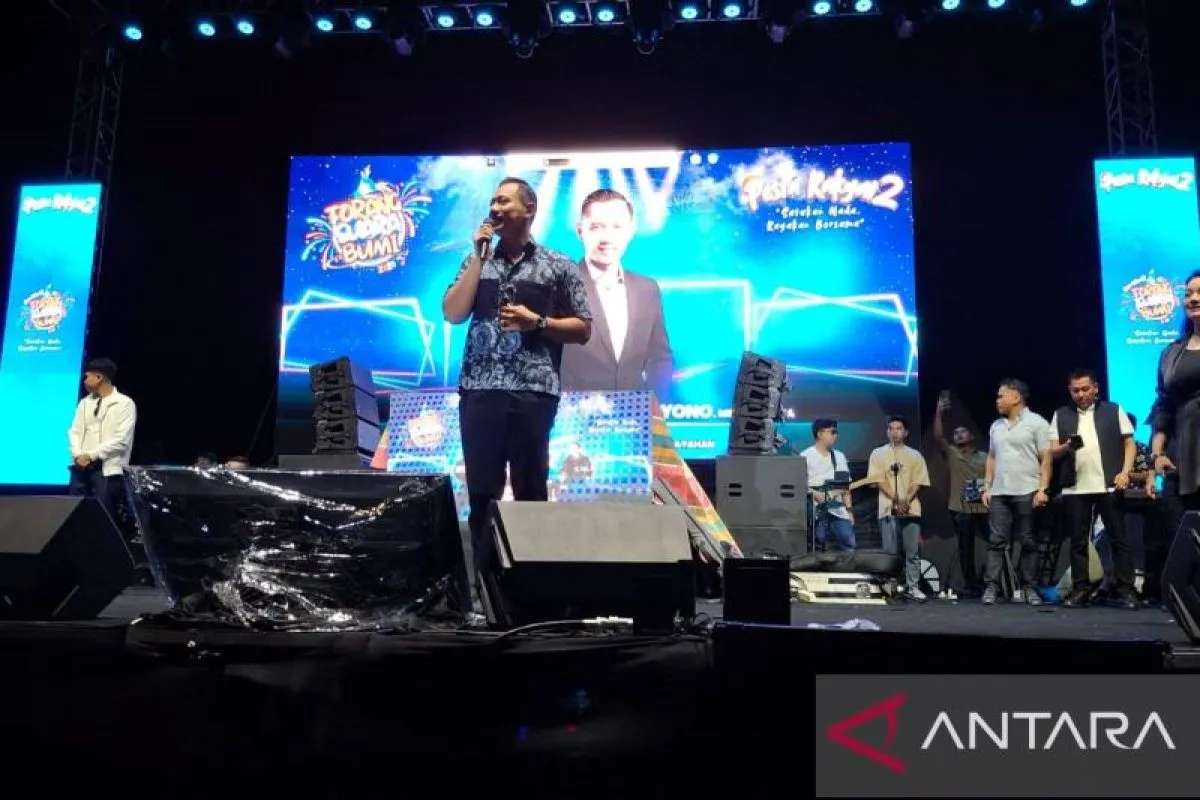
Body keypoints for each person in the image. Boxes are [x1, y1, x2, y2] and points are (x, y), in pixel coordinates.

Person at [442, 177, 592, 588]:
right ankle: (485, 592)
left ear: (529, 209)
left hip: (532, 392)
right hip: (480, 391)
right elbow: (453, 313)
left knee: (530, 491)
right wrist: (478, 257)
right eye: (492, 201)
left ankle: (531, 591)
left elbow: (583, 328)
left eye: (504, 201)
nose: (494, 208)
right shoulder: (476, 260)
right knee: (481, 494)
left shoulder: (558, 264)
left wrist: (537, 322)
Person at [559, 189, 674, 400]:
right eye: (596, 227)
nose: (607, 237)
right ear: (580, 231)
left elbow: (659, 357)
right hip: (574, 415)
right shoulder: (559, 287)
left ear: (630, 231)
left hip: (635, 414)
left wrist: (654, 405)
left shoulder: (647, 289)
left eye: (617, 227)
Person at [1044, 369, 1139, 609]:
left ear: (1095, 388)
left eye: (1085, 389)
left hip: (1108, 484)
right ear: (1069, 391)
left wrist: (1125, 472)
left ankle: (1126, 590)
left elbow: (1129, 443)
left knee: (1118, 539)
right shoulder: (1061, 414)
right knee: (1078, 542)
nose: (1081, 394)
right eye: (1075, 390)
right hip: (1075, 486)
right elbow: (1053, 451)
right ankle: (1081, 590)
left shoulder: (1113, 410)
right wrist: (1067, 446)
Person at [981, 378, 1052, 606]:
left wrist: (1043, 489)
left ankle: (1029, 587)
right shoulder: (996, 426)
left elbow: (1046, 459)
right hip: (1000, 492)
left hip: (1027, 490)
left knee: (1028, 541)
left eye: (1001, 395)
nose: (997, 400)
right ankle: (992, 587)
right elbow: (991, 457)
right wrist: (987, 486)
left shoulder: (1037, 423)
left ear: (1016, 397)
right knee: (996, 541)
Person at [1150, 269, 1200, 513]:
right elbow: (1163, 406)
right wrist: (1157, 454)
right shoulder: (1171, 353)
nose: (1193, 299)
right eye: (1188, 293)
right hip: (1180, 460)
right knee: (1182, 532)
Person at [67, 357, 137, 524]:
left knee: (104, 518)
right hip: (81, 469)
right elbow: (74, 431)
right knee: (75, 518)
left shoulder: (124, 403)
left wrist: (91, 455)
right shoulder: (85, 403)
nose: (84, 380)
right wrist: (78, 454)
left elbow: (121, 441)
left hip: (106, 471)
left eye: (87, 376)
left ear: (99, 377)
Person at [868, 416, 931, 601]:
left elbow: (918, 481)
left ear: (906, 432)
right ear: (887, 432)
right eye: (891, 428)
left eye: (898, 428)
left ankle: (913, 587)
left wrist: (906, 500)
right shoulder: (877, 454)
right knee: (890, 552)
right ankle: (891, 586)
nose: (894, 432)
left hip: (911, 508)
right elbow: (878, 480)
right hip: (888, 508)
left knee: (912, 551)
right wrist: (896, 498)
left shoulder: (915, 455)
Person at [932, 393, 989, 595]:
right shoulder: (952, 454)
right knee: (966, 548)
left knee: (995, 544)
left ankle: (992, 580)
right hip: (960, 508)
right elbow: (938, 436)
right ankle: (971, 584)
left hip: (983, 507)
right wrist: (939, 411)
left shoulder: (985, 457)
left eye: (963, 432)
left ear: (972, 437)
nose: (958, 435)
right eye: (955, 433)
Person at [801, 418, 855, 551]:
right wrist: (814, 493)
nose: (835, 435)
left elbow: (844, 486)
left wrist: (849, 511)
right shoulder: (805, 456)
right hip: (816, 512)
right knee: (818, 545)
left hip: (838, 510)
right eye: (832, 432)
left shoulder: (839, 457)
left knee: (849, 544)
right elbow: (799, 485)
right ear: (820, 434)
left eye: (836, 432)